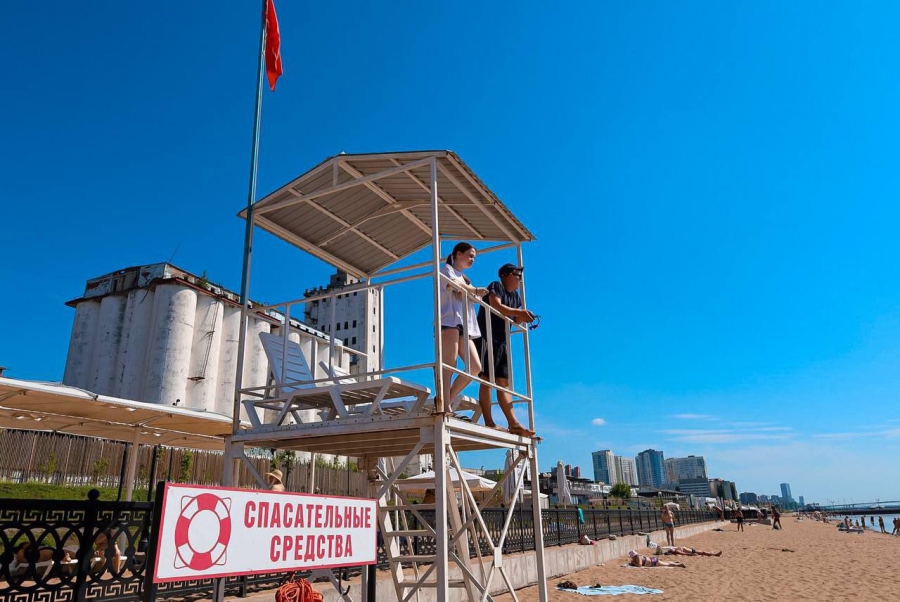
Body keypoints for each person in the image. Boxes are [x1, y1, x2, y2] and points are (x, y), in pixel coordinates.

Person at [474, 263, 536, 437]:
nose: (520, 281)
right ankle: (489, 422)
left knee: (503, 382)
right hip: (486, 337)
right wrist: (519, 312)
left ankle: (513, 423)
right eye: (518, 276)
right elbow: (496, 305)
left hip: (502, 341)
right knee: (486, 379)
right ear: (508, 275)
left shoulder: (516, 297)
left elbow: (515, 320)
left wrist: (523, 317)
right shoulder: (496, 286)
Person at [439, 242, 488, 409]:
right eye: (470, 256)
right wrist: (473, 291)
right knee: (449, 364)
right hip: (449, 320)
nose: (472, 259)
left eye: (474, 257)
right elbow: (455, 285)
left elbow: (472, 295)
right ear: (458, 254)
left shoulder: (465, 279)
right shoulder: (446, 270)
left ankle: (447, 399)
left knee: (475, 367)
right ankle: (445, 404)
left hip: (463, 325)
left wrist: (471, 291)